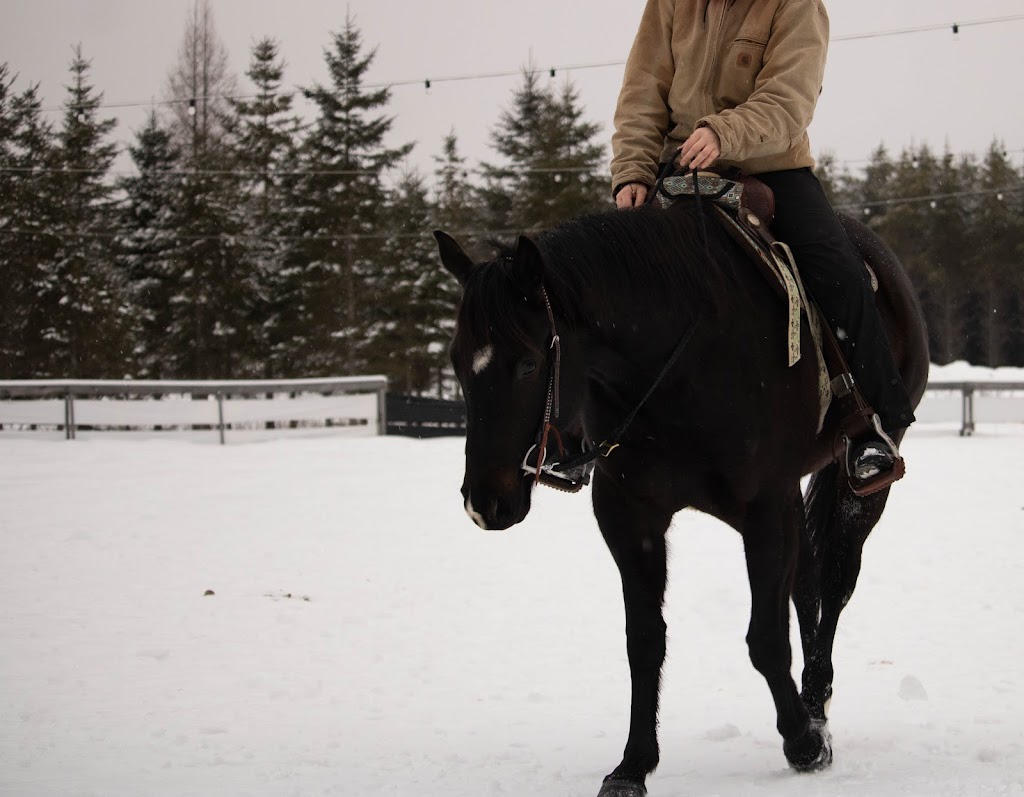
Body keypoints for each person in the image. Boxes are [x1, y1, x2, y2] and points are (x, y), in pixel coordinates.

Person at [610, 0, 915, 488]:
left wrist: (724, 131)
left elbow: (790, 97)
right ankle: (589, 427)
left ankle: (870, 422)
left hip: (773, 165)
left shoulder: (796, 5)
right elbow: (643, 89)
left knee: (837, 270)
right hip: (680, 165)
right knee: (604, 275)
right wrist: (632, 171)